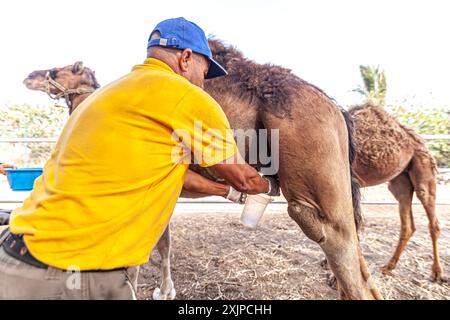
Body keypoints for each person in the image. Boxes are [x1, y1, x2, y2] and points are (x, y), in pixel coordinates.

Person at [0, 17, 279, 299]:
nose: (203, 84)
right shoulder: (187, 97)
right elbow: (244, 178)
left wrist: (227, 193)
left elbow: (176, 174)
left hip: (15, 252)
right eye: (204, 73)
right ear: (186, 58)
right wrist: (270, 187)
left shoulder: (107, 96)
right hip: (74, 271)